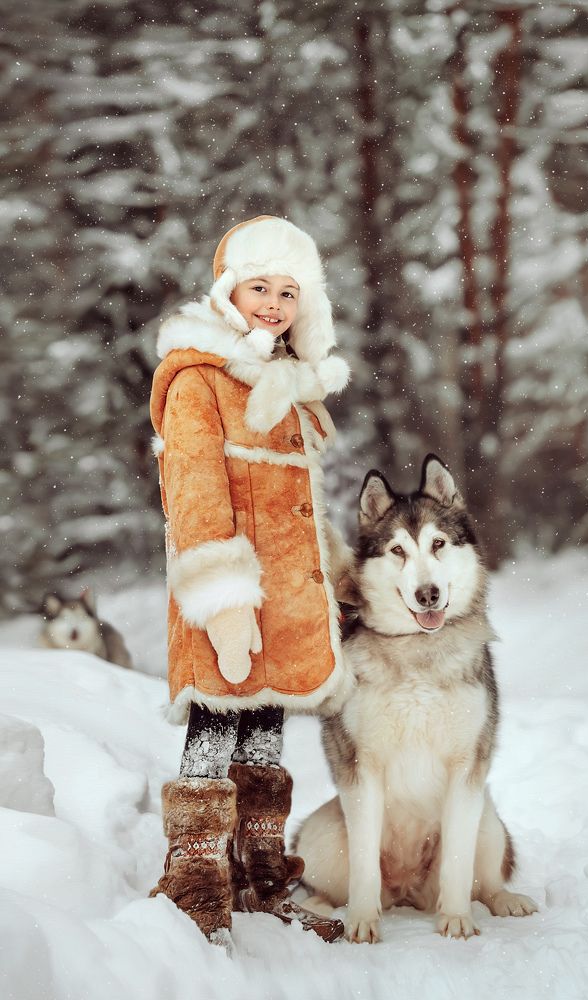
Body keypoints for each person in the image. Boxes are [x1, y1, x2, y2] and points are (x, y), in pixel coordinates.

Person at [148, 216, 351, 948]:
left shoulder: (283, 383)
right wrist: (225, 602)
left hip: (288, 596)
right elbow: (196, 495)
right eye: (258, 286)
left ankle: (258, 875)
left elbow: (298, 505)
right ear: (228, 291)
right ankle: (195, 878)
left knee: (264, 729)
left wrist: (335, 578)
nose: (272, 303)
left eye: (288, 291)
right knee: (214, 723)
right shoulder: (198, 378)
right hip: (229, 592)